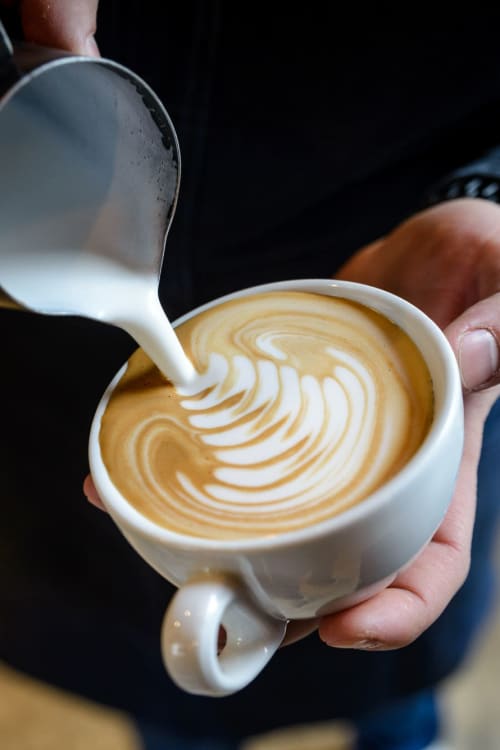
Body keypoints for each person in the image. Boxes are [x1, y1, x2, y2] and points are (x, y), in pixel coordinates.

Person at [1, 2, 500, 748]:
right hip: (53, 378)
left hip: (404, 266)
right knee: (169, 699)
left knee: (387, 677)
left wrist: (487, 192)